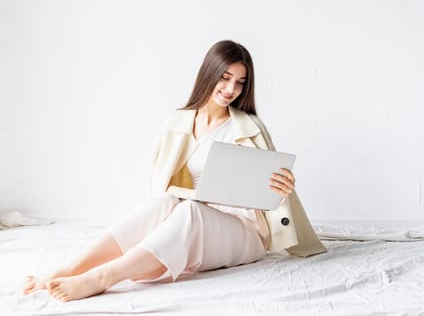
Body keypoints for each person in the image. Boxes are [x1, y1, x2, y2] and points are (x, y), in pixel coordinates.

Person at [23, 40, 326, 302]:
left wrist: (280, 187)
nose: (231, 89)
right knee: (164, 204)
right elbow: (160, 186)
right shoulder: (176, 123)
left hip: (243, 231)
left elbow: (271, 193)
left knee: (189, 212)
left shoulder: (249, 127)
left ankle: (103, 278)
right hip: (189, 212)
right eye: (225, 78)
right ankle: (72, 268)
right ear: (209, 74)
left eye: (240, 82)